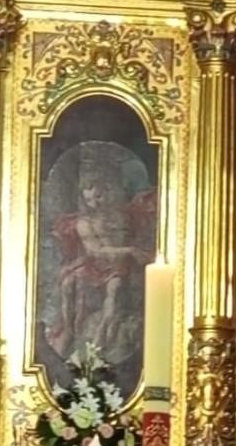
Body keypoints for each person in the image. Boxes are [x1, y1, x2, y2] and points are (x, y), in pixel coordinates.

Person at [47, 144, 156, 366]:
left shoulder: (120, 216)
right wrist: (131, 251)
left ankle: (99, 344)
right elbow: (95, 251)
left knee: (114, 291)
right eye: (90, 199)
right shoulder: (83, 223)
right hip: (95, 263)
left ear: (108, 191)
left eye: (100, 196)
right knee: (68, 282)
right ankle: (68, 328)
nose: (96, 202)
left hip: (117, 267)